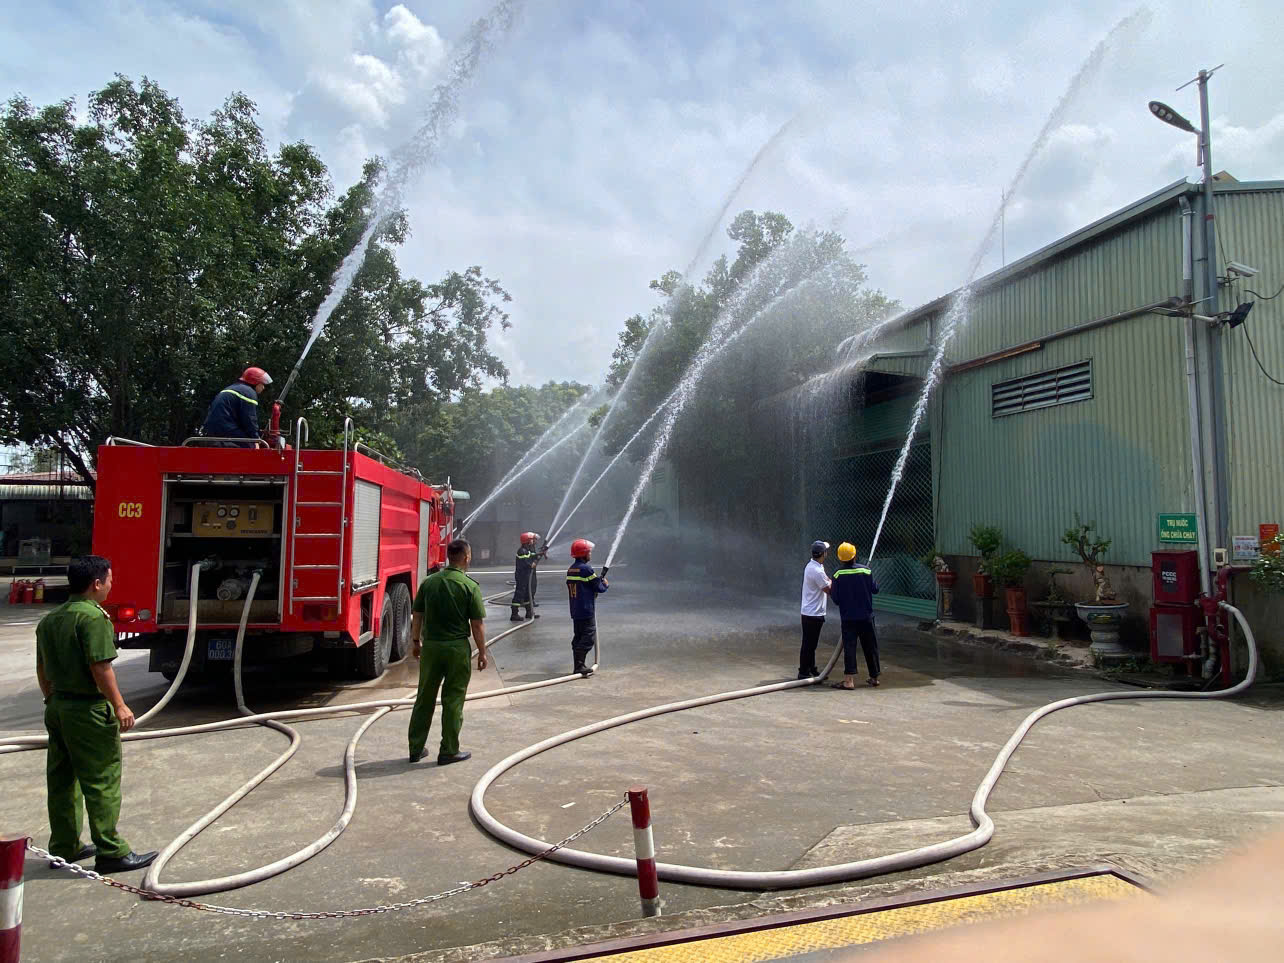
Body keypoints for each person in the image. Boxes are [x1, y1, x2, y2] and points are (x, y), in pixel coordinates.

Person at [35, 555, 157, 873]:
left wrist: (52, 699)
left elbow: (42, 668)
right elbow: (100, 667)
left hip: (57, 708)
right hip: (87, 710)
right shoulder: (93, 618)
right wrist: (120, 705)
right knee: (101, 779)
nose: (111, 586)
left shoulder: (50, 620)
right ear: (97, 583)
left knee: (62, 779)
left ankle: (64, 847)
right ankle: (111, 851)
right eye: (110, 581)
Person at [407, 538, 488, 766]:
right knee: (453, 699)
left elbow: (417, 615)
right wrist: (482, 652)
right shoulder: (469, 586)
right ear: (467, 557)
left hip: (431, 648)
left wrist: (416, 642)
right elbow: (477, 624)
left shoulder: (429, 583)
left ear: (449, 557)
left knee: (424, 697)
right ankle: (449, 750)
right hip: (456, 649)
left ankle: (415, 749)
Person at [828, 542, 881, 690]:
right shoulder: (866, 571)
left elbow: (836, 599)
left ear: (840, 558)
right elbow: (875, 589)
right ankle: (874, 677)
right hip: (866, 617)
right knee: (871, 646)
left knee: (849, 648)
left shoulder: (837, 574)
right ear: (854, 555)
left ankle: (849, 681)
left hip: (848, 618)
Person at [566, 538, 608, 677]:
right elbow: (598, 587)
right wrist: (605, 584)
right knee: (588, 636)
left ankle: (577, 665)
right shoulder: (586, 569)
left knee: (578, 636)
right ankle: (580, 666)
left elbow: (583, 585)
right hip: (585, 608)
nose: (590, 554)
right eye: (589, 552)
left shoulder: (571, 569)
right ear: (583, 553)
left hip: (575, 608)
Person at [201, 366, 272, 443]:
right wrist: (256, 439)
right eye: (262, 384)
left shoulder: (232, 388)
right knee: (252, 447)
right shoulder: (248, 392)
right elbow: (249, 420)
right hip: (227, 434)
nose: (263, 387)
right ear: (255, 382)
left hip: (211, 432)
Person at [798, 539, 831, 680]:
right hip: (813, 614)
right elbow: (828, 589)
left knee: (811, 644)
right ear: (823, 554)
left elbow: (826, 581)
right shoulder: (816, 570)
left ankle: (811, 668)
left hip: (810, 612)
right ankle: (803, 672)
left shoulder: (814, 566)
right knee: (809, 644)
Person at [509, 531, 544, 622]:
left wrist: (539, 554)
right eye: (532, 540)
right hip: (522, 576)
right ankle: (514, 614)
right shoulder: (522, 551)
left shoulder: (527, 550)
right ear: (527, 541)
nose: (533, 541)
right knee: (519, 594)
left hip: (526, 576)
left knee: (528, 594)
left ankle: (529, 613)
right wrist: (532, 564)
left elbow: (531, 555)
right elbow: (525, 563)